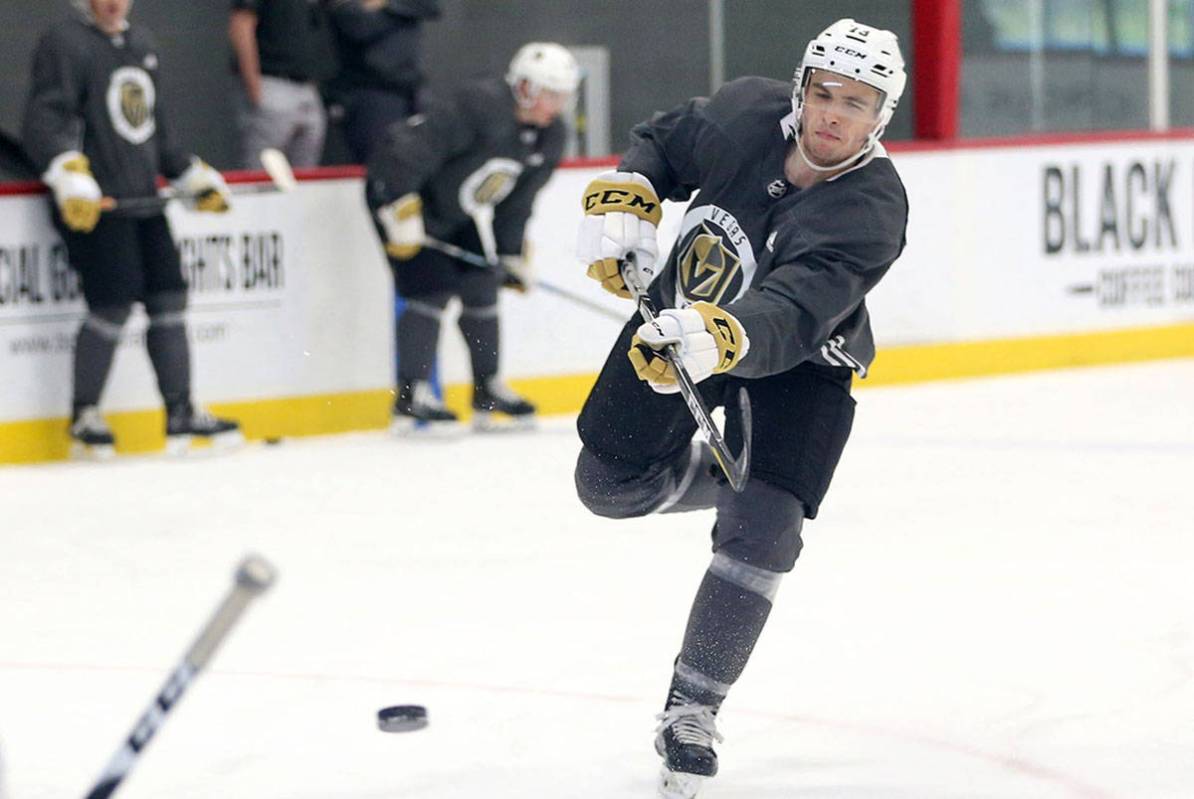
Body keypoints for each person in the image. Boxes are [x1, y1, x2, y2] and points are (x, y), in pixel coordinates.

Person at [573, 18, 909, 798]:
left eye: (856, 104)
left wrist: (718, 335)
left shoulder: (871, 208)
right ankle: (728, 481)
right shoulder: (745, 114)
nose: (833, 115)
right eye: (824, 94)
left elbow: (794, 310)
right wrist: (631, 192)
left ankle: (692, 705)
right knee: (606, 485)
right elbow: (664, 139)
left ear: (881, 116)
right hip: (686, 309)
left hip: (798, 359)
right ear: (800, 89)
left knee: (767, 527)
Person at [23, 0, 239, 458]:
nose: (112, 3)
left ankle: (180, 411)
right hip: (96, 205)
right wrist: (70, 174)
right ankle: (85, 416)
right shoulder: (65, 42)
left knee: (169, 297)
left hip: (142, 200)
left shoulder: (141, 42)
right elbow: (46, 117)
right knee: (113, 303)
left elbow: (156, 132)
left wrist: (190, 176)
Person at [369, 42, 579, 432]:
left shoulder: (551, 135)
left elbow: (517, 201)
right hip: (402, 191)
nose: (558, 104)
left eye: (563, 95)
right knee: (430, 288)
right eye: (551, 93)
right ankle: (410, 396)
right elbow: (408, 151)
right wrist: (399, 206)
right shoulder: (478, 106)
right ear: (525, 88)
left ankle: (487, 389)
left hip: (452, 209)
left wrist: (510, 254)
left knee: (483, 283)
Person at [324, 0, 440, 163]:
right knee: (379, 161)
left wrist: (382, 5)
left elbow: (430, 6)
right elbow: (357, 24)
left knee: (419, 159)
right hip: (371, 92)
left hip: (412, 91)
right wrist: (400, 11)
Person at [229, 0, 336, 169]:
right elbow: (241, 23)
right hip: (272, 83)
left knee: (306, 179)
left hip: (307, 88)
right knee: (263, 177)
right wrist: (255, 88)